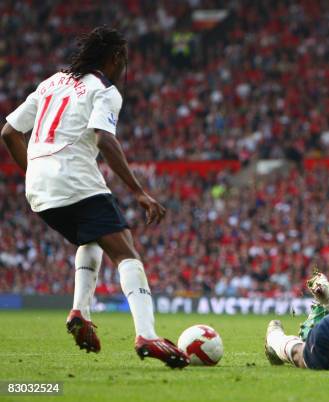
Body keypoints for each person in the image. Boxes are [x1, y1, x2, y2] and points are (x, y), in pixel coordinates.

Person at [1, 27, 189, 368]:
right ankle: (146, 334)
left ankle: (80, 312)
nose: (124, 68)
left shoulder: (50, 83)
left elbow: (9, 132)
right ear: (115, 58)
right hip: (73, 177)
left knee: (94, 236)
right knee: (126, 251)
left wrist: (34, 172)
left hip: (38, 188)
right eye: (124, 61)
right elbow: (105, 139)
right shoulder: (104, 90)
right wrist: (139, 192)